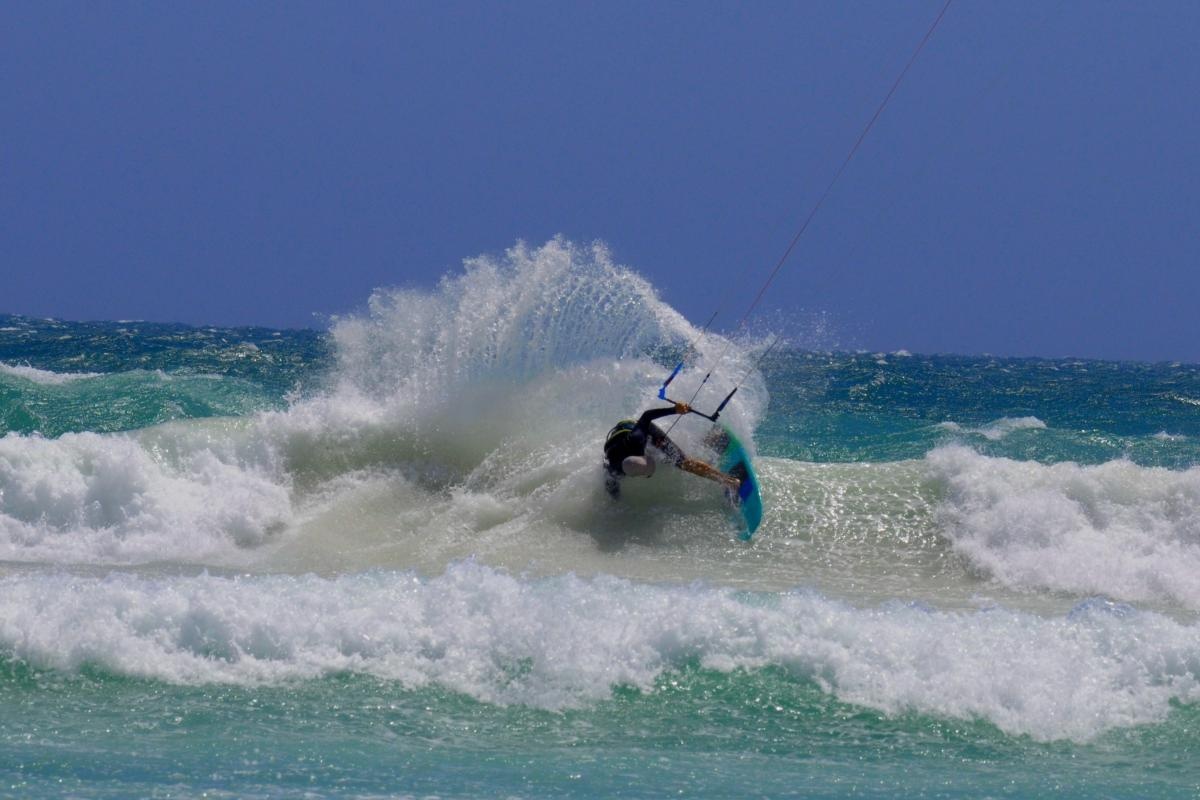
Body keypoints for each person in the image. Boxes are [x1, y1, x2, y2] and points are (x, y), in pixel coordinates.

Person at [603, 401, 739, 498]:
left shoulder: (635, 439)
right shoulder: (612, 471)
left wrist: (675, 409)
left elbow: (646, 416)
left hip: (640, 430)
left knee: (684, 463)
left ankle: (729, 481)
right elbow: (612, 491)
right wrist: (617, 501)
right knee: (670, 461)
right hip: (619, 447)